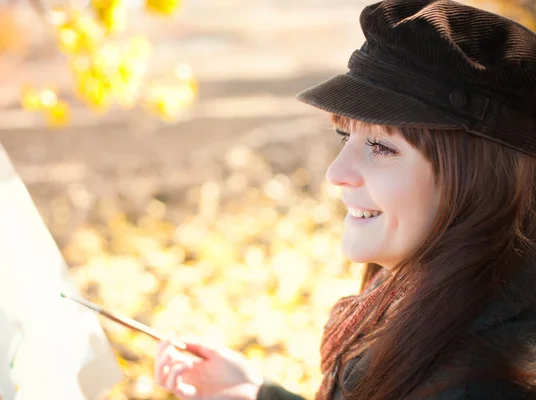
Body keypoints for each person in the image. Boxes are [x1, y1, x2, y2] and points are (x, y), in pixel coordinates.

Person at [154, 0, 536, 398]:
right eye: (345, 136)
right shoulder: (413, 298)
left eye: (381, 147)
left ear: (479, 181)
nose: (336, 173)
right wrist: (256, 392)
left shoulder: (488, 384)